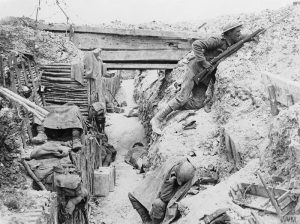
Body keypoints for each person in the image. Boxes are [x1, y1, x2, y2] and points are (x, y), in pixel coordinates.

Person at [150, 22, 244, 134]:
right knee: (182, 98)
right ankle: (157, 118)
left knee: (198, 103)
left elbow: (244, 37)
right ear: (229, 33)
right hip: (194, 69)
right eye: (237, 32)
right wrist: (203, 62)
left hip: (204, 75)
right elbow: (196, 45)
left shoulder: (231, 42)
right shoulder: (218, 40)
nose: (239, 34)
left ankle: (171, 106)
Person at [128, 157, 196, 224]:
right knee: (133, 196)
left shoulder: (189, 176)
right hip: (166, 196)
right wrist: (170, 182)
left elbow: (165, 198)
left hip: (172, 206)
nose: (180, 183)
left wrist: (171, 183)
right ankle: (147, 221)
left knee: (158, 204)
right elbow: (161, 192)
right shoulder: (171, 170)